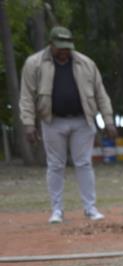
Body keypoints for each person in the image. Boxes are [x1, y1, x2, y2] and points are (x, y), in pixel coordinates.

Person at [19, 26, 117, 224]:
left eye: (67, 47)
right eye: (60, 47)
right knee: (55, 165)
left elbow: (101, 93)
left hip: (83, 120)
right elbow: (27, 96)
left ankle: (90, 208)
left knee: (84, 163)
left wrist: (108, 120)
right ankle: (57, 210)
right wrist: (29, 124)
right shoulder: (34, 63)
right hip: (52, 121)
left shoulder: (86, 63)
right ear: (51, 45)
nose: (64, 51)